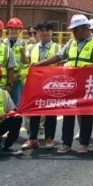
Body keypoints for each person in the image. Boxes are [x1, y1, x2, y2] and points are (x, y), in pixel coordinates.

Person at [31, 14, 93, 153]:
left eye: (76, 29)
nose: (73, 32)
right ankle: (66, 143)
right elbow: (59, 56)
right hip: (71, 84)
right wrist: (40, 64)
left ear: (85, 28)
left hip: (87, 85)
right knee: (68, 113)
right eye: (73, 30)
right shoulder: (71, 42)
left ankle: (84, 143)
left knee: (86, 114)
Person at [21, 22, 61, 150]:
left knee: (50, 112)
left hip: (51, 85)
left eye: (47, 30)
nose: (44, 33)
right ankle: (33, 138)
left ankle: (49, 138)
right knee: (34, 111)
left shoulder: (58, 47)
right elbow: (25, 61)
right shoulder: (32, 47)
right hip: (35, 84)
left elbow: (62, 65)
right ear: (38, 33)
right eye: (42, 31)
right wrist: (22, 53)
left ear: (52, 32)